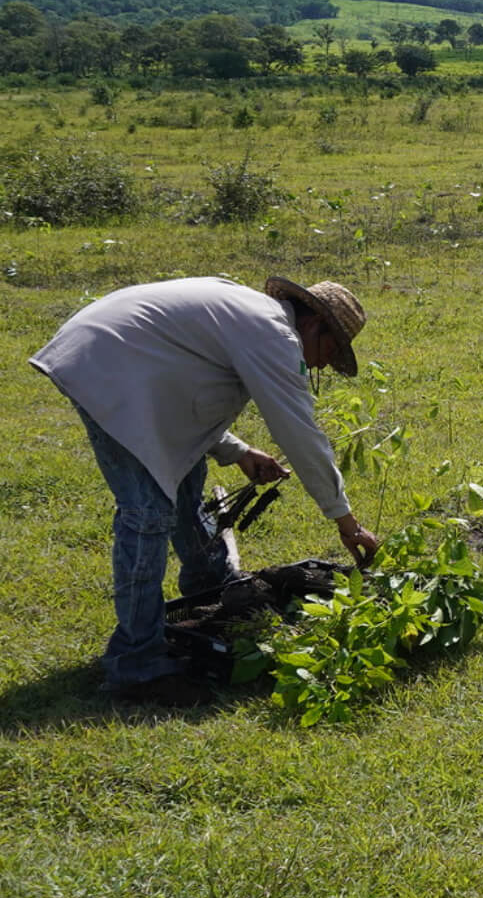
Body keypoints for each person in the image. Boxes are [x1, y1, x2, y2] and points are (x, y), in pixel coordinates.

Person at [31, 275, 380, 706]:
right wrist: (346, 522)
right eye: (331, 351)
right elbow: (299, 434)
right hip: (110, 365)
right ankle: (136, 665)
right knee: (148, 515)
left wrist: (236, 450)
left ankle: (211, 588)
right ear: (315, 326)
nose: (323, 366)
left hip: (119, 360)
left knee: (184, 482)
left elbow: (184, 384)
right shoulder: (273, 333)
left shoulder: (253, 318)